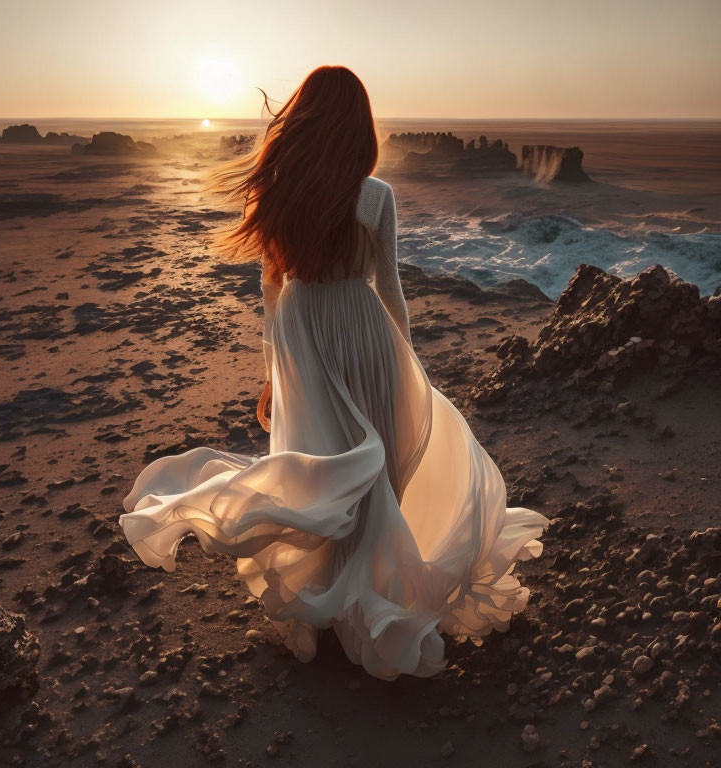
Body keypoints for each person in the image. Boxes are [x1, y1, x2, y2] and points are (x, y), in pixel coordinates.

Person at [119, 65, 550, 681]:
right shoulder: (376, 195)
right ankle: (367, 597)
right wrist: (408, 358)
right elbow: (390, 287)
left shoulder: (280, 192)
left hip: (302, 332)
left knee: (321, 458)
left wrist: (275, 365)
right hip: (360, 327)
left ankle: (334, 596)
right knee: (377, 461)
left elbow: (271, 284)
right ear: (359, 128)